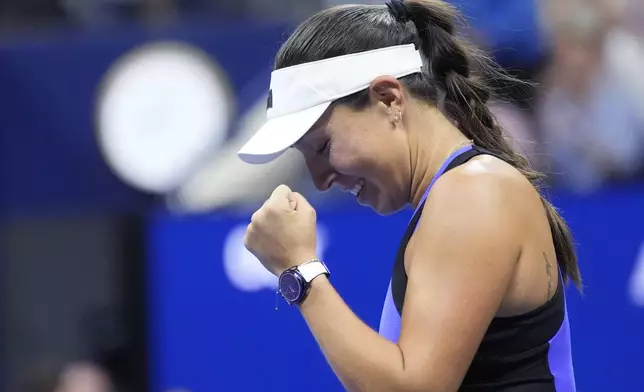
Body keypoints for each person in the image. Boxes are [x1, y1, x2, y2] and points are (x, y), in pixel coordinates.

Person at [239, 0, 582, 391]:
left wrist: (299, 269)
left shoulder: (474, 194)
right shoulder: (462, 192)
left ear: (389, 99)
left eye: (322, 147)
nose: (320, 181)